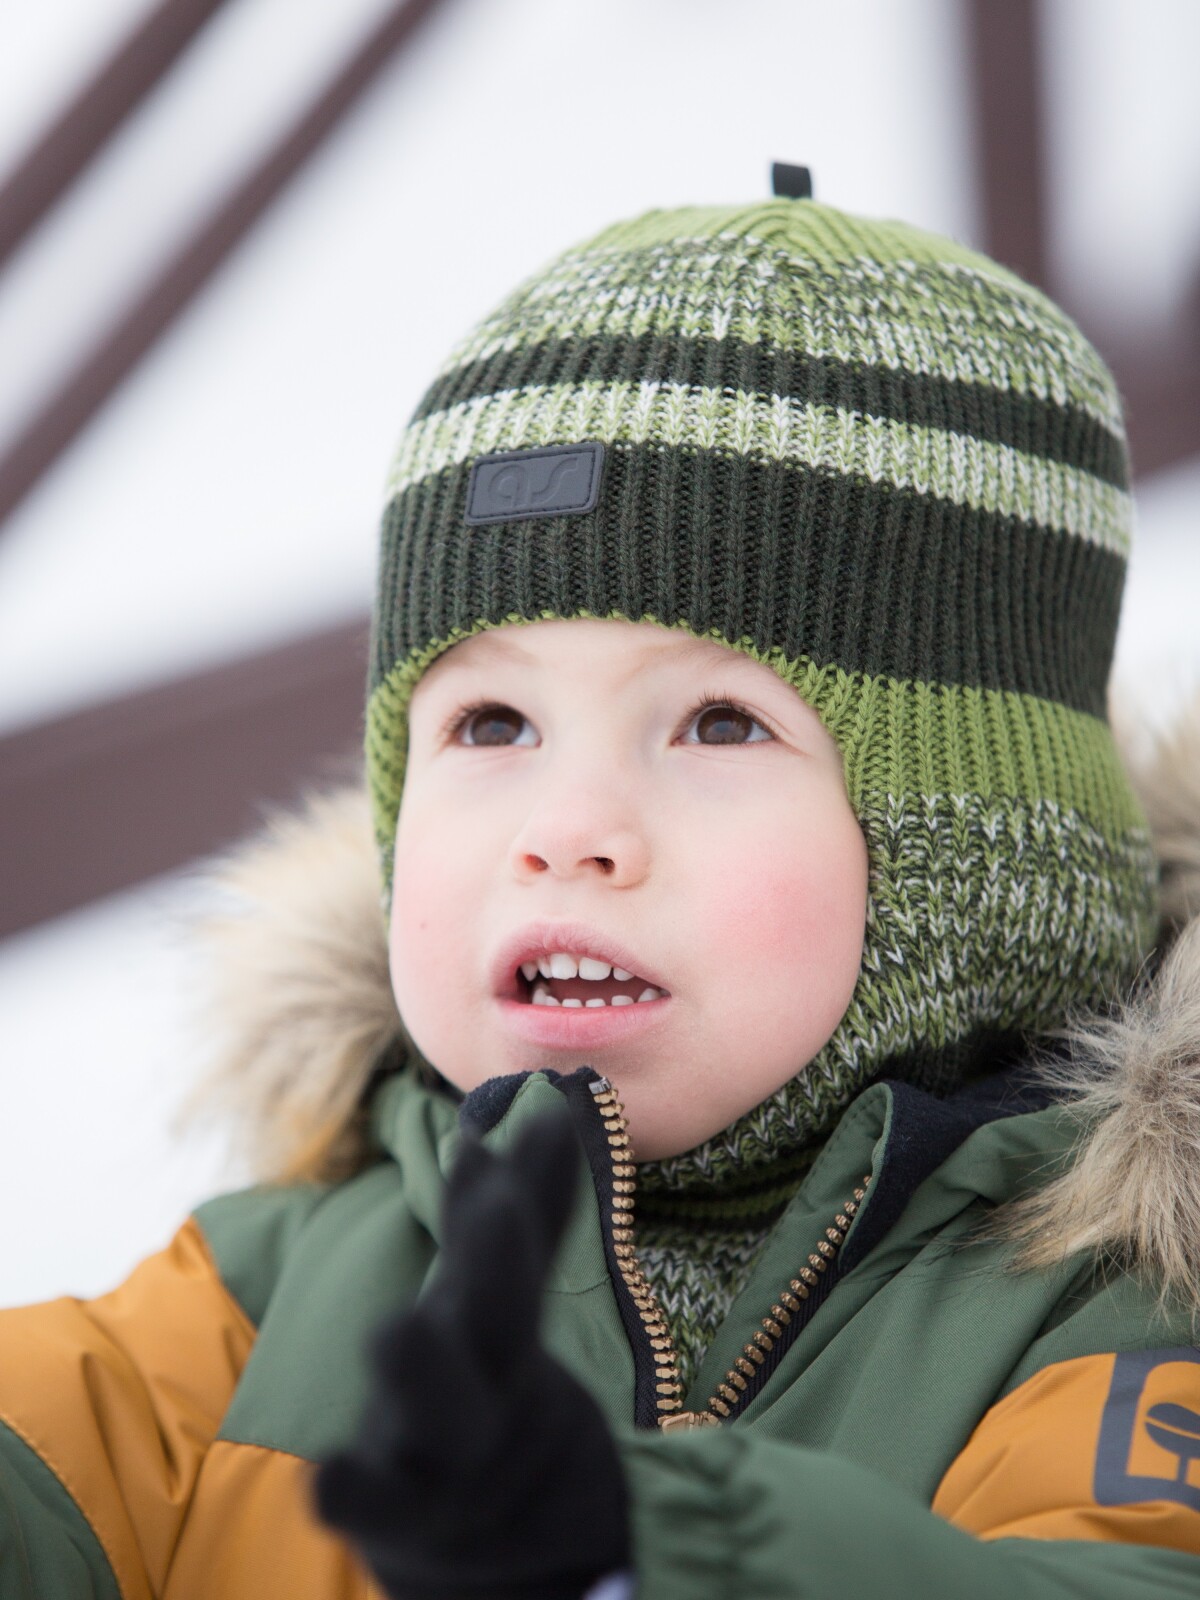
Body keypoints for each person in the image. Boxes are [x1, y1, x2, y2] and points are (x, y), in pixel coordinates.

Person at [2, 184, 1200, 1600]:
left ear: (976, 851)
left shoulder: (1121, 1309)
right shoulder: (263, 1304)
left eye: (720, 724)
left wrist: (650, 1547)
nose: (566, 831)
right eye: (492, 724)